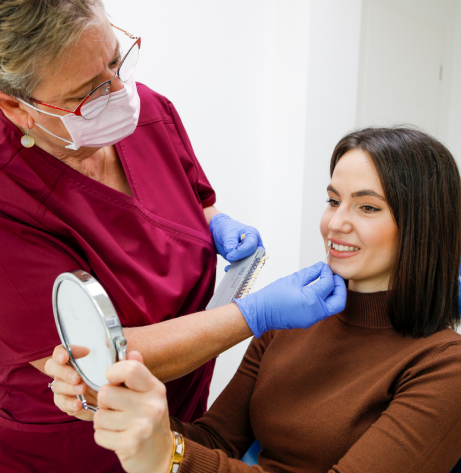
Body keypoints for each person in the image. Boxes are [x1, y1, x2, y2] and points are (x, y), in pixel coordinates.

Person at [0, 1, 347, 472]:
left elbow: (195, 200)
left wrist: (215, 221)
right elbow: (96, 359)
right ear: (16, 107)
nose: (121, 90)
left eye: (116, 59)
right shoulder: (9, 201)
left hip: (184, 425)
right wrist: (251, 316)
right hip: (80, 442)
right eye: (90, 91)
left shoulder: (145, 112)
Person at [49, 127, 461, 473]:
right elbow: (216, 439)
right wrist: (122, 410)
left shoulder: (444, 367)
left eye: (367, 207)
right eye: (333, 201)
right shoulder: (291, 321)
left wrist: (170, 455)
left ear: (421, 227)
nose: (335, 223)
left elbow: (187, 457)